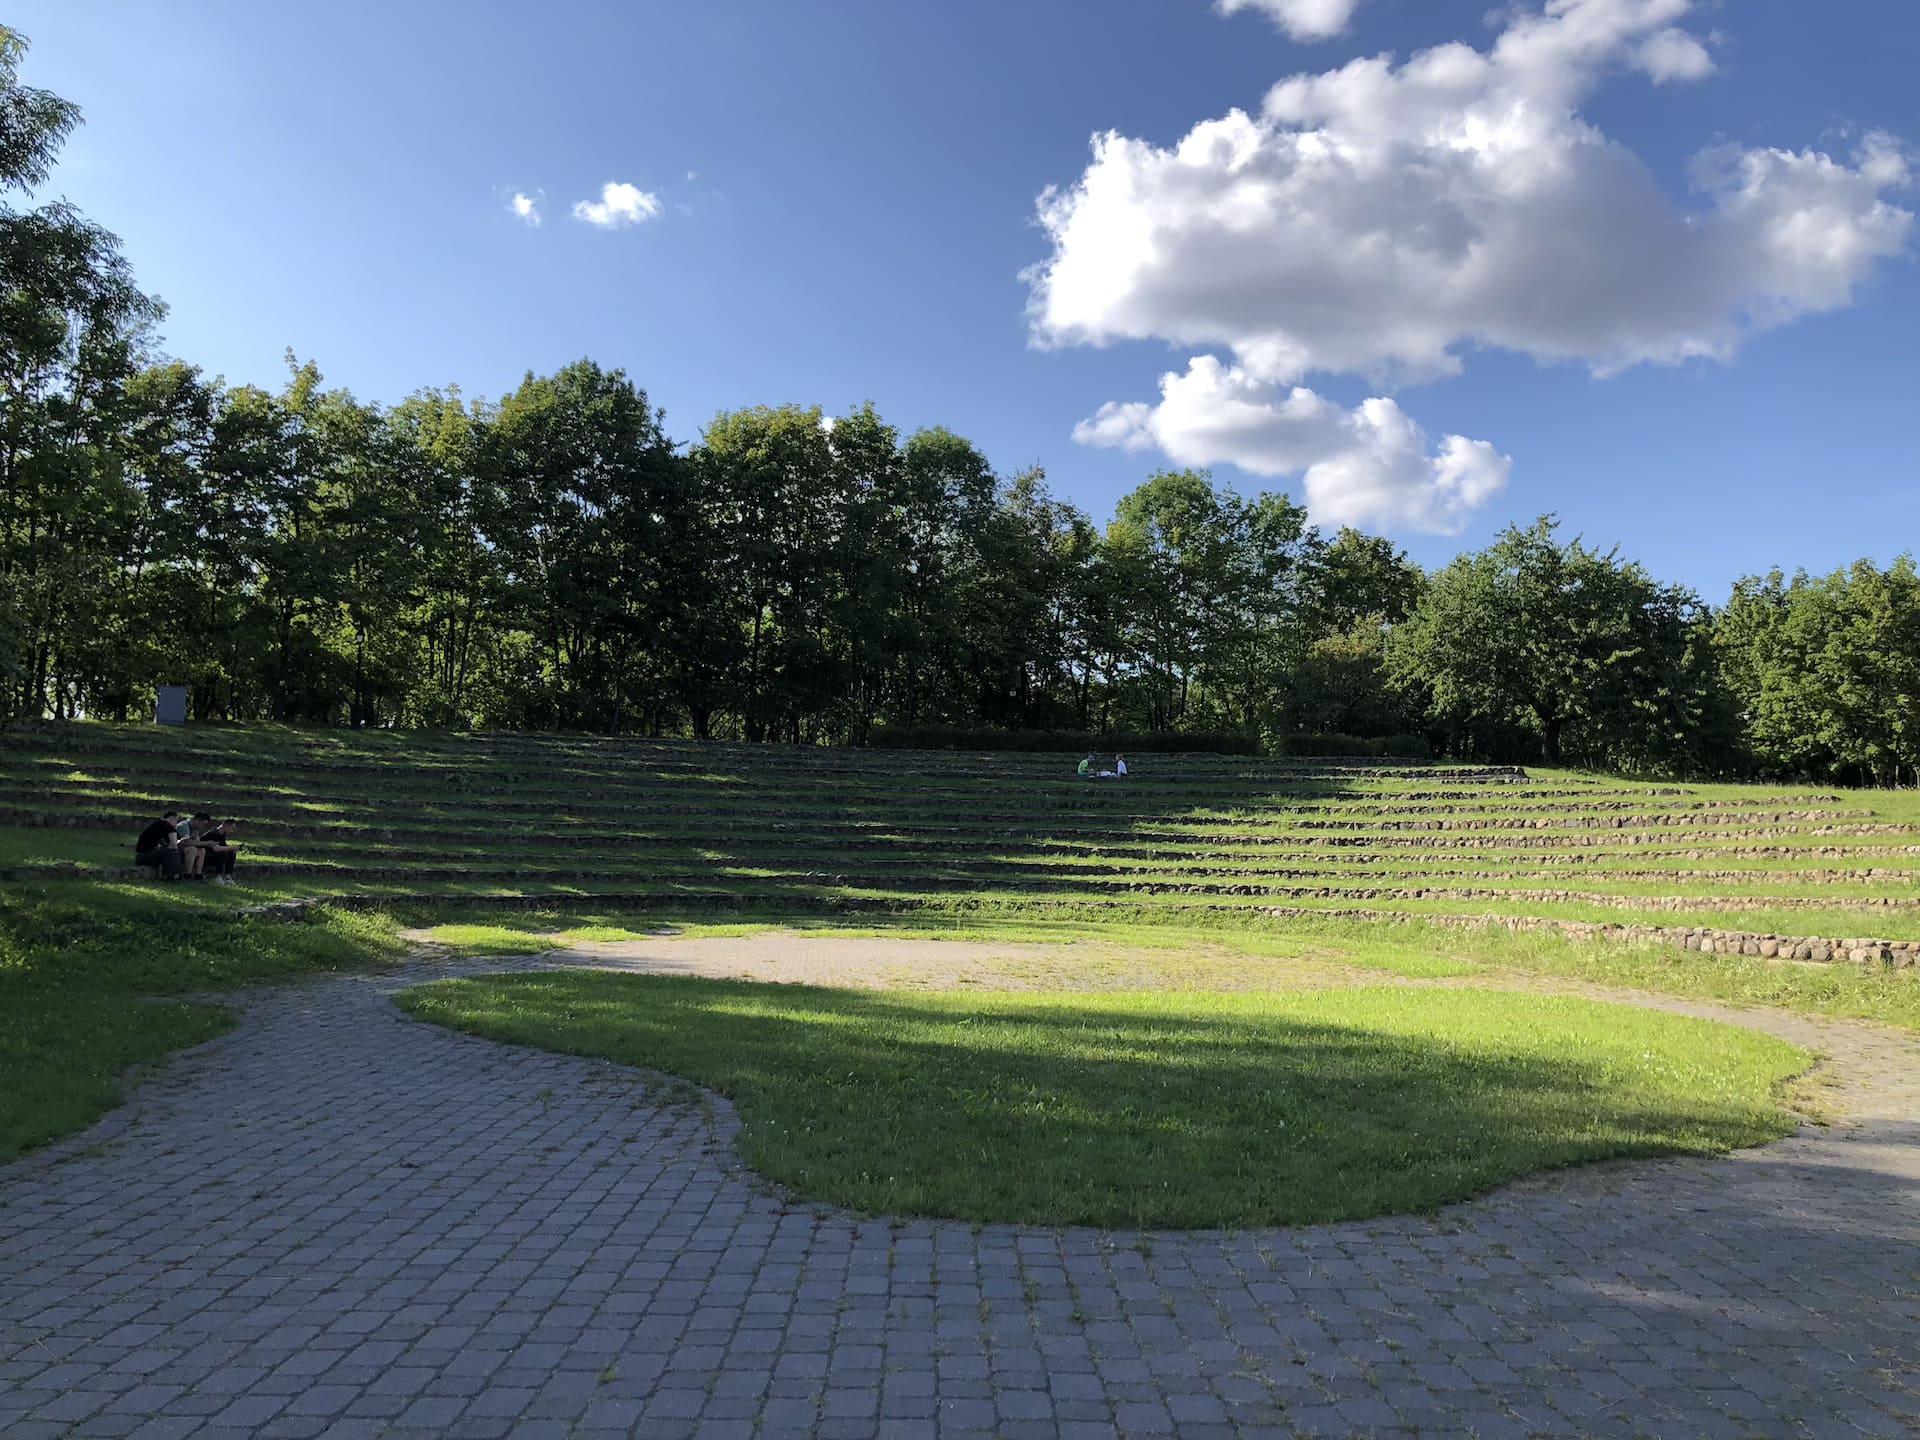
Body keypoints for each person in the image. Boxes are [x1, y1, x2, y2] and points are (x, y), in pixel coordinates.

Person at [187, 814, 240, 884]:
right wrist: (230, 848)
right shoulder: (213, 833)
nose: (232, 831)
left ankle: (228, 876)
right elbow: (216, 848)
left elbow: (223, 846)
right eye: (231, 828)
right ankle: (218, 876)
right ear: (226, 825)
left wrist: (231, 849)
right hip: (204, 856)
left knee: (231, 853)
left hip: (213, 855)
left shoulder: (222, 834)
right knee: (223, 853)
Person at [135, 811, 185, 881]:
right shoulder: (167, 826)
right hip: (146, 856)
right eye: (176, 820)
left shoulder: (156, 825)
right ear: (172, 818)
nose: (176, 823)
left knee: (171, 851)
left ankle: (173, 875)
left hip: (140, 856)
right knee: (173, 852)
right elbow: (173, 845)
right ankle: (171, 876)